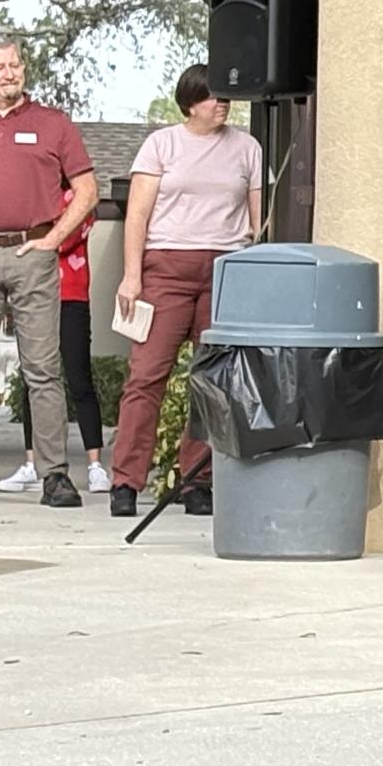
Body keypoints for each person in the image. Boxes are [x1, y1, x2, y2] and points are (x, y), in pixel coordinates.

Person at [111, 65, 263, 518]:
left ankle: (198, 480)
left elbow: (257, 223)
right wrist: (131, 275)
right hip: (166, 271)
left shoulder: (247, 147)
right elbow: (136, 215)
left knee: (213, 380)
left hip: (224, 273)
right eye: (212, 97)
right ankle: (126, 481)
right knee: (146, 376)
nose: (222, 104)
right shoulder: (162, 144)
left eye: (225, 98)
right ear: (190, 102)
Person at [0, 35, 99, 509]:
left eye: (15, 65)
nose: (9, 73)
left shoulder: (53, 124)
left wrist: (53, 240)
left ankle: (54, 475)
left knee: (43, 370)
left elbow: (88, 189)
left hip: (32, 255)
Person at [0, 184, 108, 495]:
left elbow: (67, 236)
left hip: (71, 296)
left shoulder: (78, 195)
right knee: (35, 378)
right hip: (30, 293)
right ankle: (32, 463)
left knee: (78, 377)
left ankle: (95, 464)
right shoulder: (33, 195)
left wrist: (40, 234)